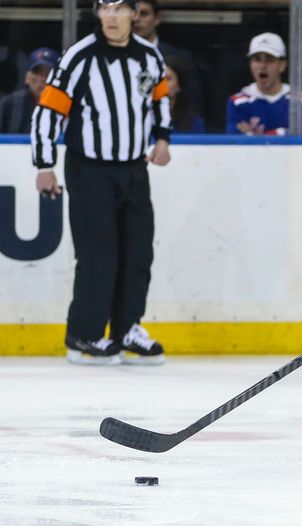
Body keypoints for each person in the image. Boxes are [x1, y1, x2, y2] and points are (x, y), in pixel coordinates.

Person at [31, 0, 170, 366]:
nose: (110, 16)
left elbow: (159, 98)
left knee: (138, 252)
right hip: (89, 168)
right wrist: (44, 164)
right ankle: (84, 334)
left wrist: (163, 138)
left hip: (134, 169)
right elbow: (48, 110)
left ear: (133, 13)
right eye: (103, 8)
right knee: (98, 255)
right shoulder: (79, 56)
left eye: (119, 8)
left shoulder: (149, 57)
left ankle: (126, 329)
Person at [226, 32, 302, 135]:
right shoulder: (238, 102)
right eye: (257, 59)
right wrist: (283, 132)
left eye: (269, 60)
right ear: (250, 64)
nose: (262, 66)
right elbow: (236, 145)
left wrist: (256, 136)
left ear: (282, 65)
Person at [133, 0, 204, 117]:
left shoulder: (181, 58)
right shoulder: (116, 57)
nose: (136, 19)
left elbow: (193, 105)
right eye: (134, 14)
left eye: (144, 14)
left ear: (157, 19)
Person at [0, 47, 58, 134]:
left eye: (48, 74)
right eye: (37, 72)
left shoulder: (67, 107)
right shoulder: (7, 104)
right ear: (27, 77)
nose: (42, 79)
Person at [165, 55, 205, 133]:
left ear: (179, 84)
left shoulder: (194, 122)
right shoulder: (143, 116)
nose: (162, 84)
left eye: (168, 79)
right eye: (159, 79)